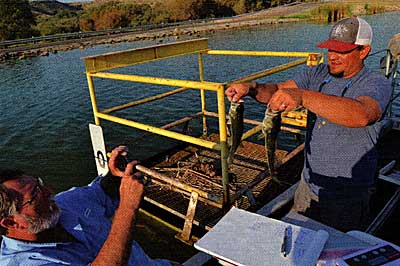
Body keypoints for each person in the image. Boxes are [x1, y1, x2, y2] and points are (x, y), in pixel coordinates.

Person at [225, 16, 392, 232]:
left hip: (347, 194)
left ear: (363, 51)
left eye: (342, 50)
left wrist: (303, 97)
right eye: (330, 48)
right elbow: (279, 91)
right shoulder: (318, 73)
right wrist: (252, 88)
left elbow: (363, 114)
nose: (332, 56)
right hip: (308, 184)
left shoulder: (376, 83)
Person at [0, 146, 173, 265]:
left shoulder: (62, 204)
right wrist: (127, 209)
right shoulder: (24, 263)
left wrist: (114, 175)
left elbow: (100, 192)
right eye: (35, 194)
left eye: (40, 184)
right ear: (11, 223)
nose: (48, 191)